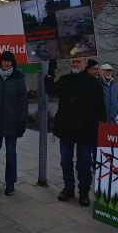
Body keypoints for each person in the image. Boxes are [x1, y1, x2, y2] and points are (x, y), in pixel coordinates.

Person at [45, 57, 106, 206]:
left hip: (86, 130)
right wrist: (50, 71)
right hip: (66, 128)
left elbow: (100, 107)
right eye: (73, 62)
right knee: (65, 160)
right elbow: (51, 90)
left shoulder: (93, 83)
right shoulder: (65, 79)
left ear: (85, 64)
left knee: (84, 162)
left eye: (78, 61)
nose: (75, 64)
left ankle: (84, 191)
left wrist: (102, 127)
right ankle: (68, 188)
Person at [0, 51, 27, 195]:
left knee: (10, 154)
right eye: (4, 61)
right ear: (0, 62)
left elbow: (23, 102)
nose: (6, 63)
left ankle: (10, 183)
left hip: (12, 123)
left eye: (9, 61)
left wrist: (22, 121)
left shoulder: (18, 78)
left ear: (12, 63)